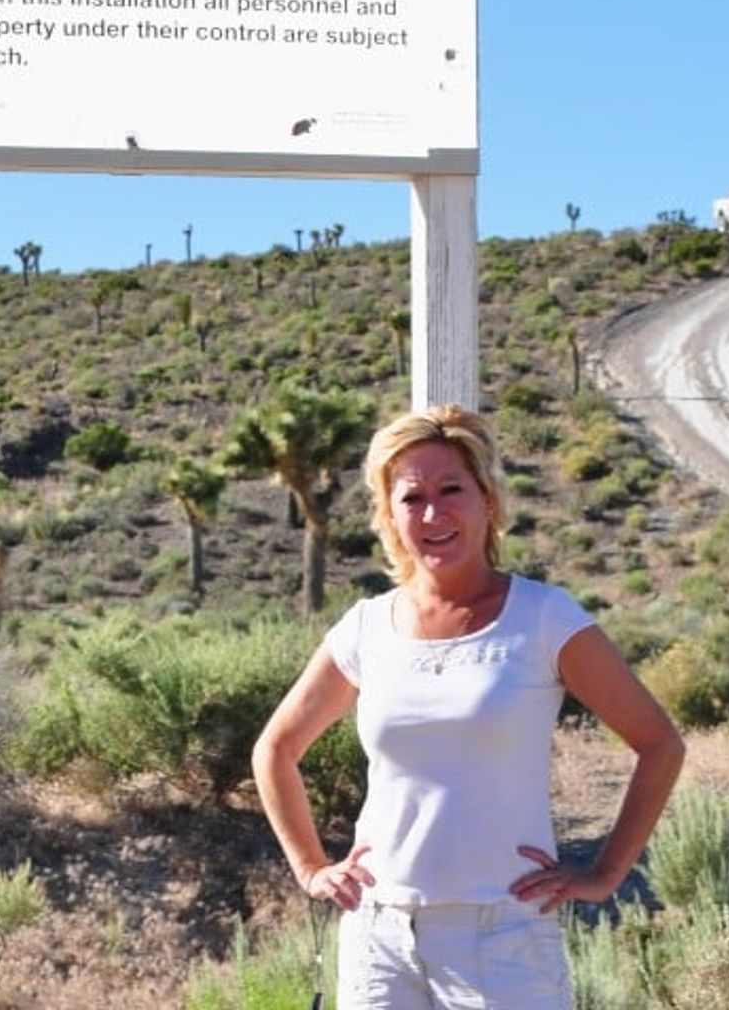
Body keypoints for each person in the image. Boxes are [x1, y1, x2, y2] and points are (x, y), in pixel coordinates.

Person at [252, 404, 685, 1009]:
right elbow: (275, 749)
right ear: (389, 515)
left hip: (504, 936)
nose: (433, 514)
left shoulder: (543, 618)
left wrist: (606, 872)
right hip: (380, 934)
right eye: (411, 498)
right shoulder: (366, 628)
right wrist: (310, 867)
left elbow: (660, 743)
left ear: (487, 500)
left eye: (451, 489)